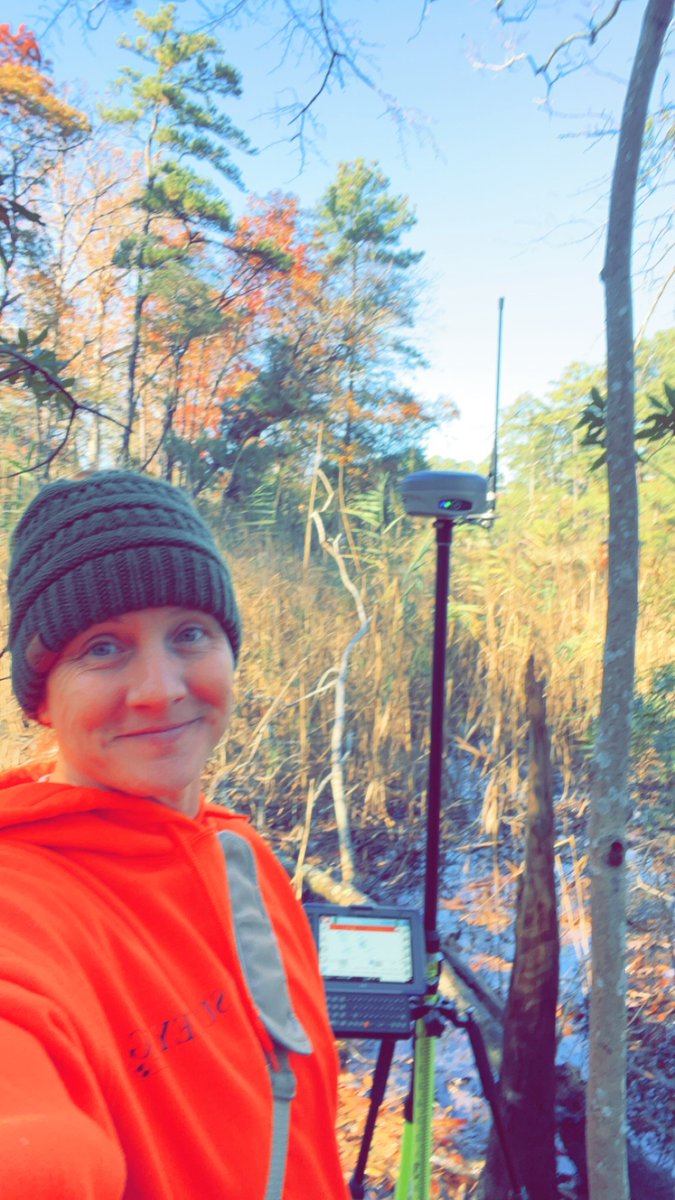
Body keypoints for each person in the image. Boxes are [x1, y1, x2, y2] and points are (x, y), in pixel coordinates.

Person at [0, 469, 349, 1199]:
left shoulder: (242, 856)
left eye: (190, 633)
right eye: (102, 647)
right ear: (40, 701)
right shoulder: (23, 900)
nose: (159, 688)